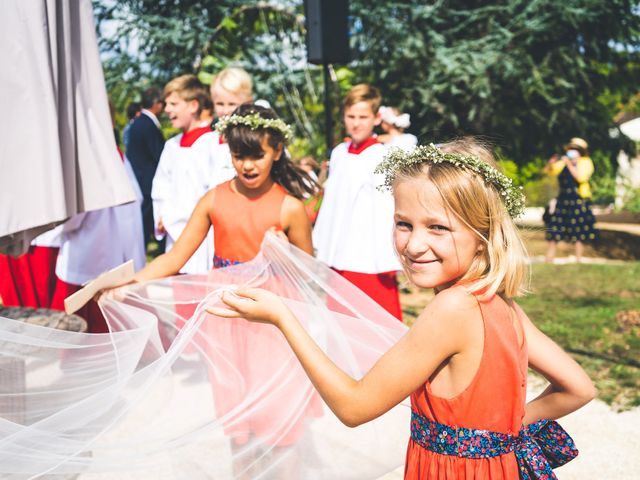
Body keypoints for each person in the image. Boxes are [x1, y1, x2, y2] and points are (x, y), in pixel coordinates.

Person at [210, 139, 596, 479]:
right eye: (404, 224)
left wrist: (282, 317)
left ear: (482, 235)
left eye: (438, 228)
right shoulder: (497, 300)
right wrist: (498, 434)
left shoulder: (452, 309)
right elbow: (578, 388)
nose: (413, 244)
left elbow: (354, 406)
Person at [313, 84, 403, 320]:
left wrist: (390, 254)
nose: (356, 123)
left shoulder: (382, 156)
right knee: (342, 323)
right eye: (351, 116)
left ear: (376, 118)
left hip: (369, 256)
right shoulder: (339, 152)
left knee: (376, 321)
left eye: (363, 117)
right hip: (339, 252)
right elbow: (331, 203)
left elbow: (387, 208)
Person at [151, 74, 235, 274]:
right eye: (166, 103)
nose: (167, 109)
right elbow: (161, 184)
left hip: (202, 235)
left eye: (173, 103)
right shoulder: (171, 145)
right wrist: (161, 215)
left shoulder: (213, 143)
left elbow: (215, 188)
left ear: (193, 105)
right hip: (173, 230)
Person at [543, 137, 597, 263]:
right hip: (563, 198)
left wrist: (570, 164)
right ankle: (549, 258)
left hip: (578, 199)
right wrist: (550, 164)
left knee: (578, 230)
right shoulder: (563, 162)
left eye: (575, 149)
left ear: (581, 151)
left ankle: (578, 259)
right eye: (571, 148)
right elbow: (549, 171)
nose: (572, 151)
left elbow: (580, 178)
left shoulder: (585, 162)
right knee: (555, 228)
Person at [126, 87, 166, 251]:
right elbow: (159, 155)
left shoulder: (138, 122)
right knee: (146, 221)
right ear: (156, 104)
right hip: (148, 183)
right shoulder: (148, 125)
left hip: (139, 180)